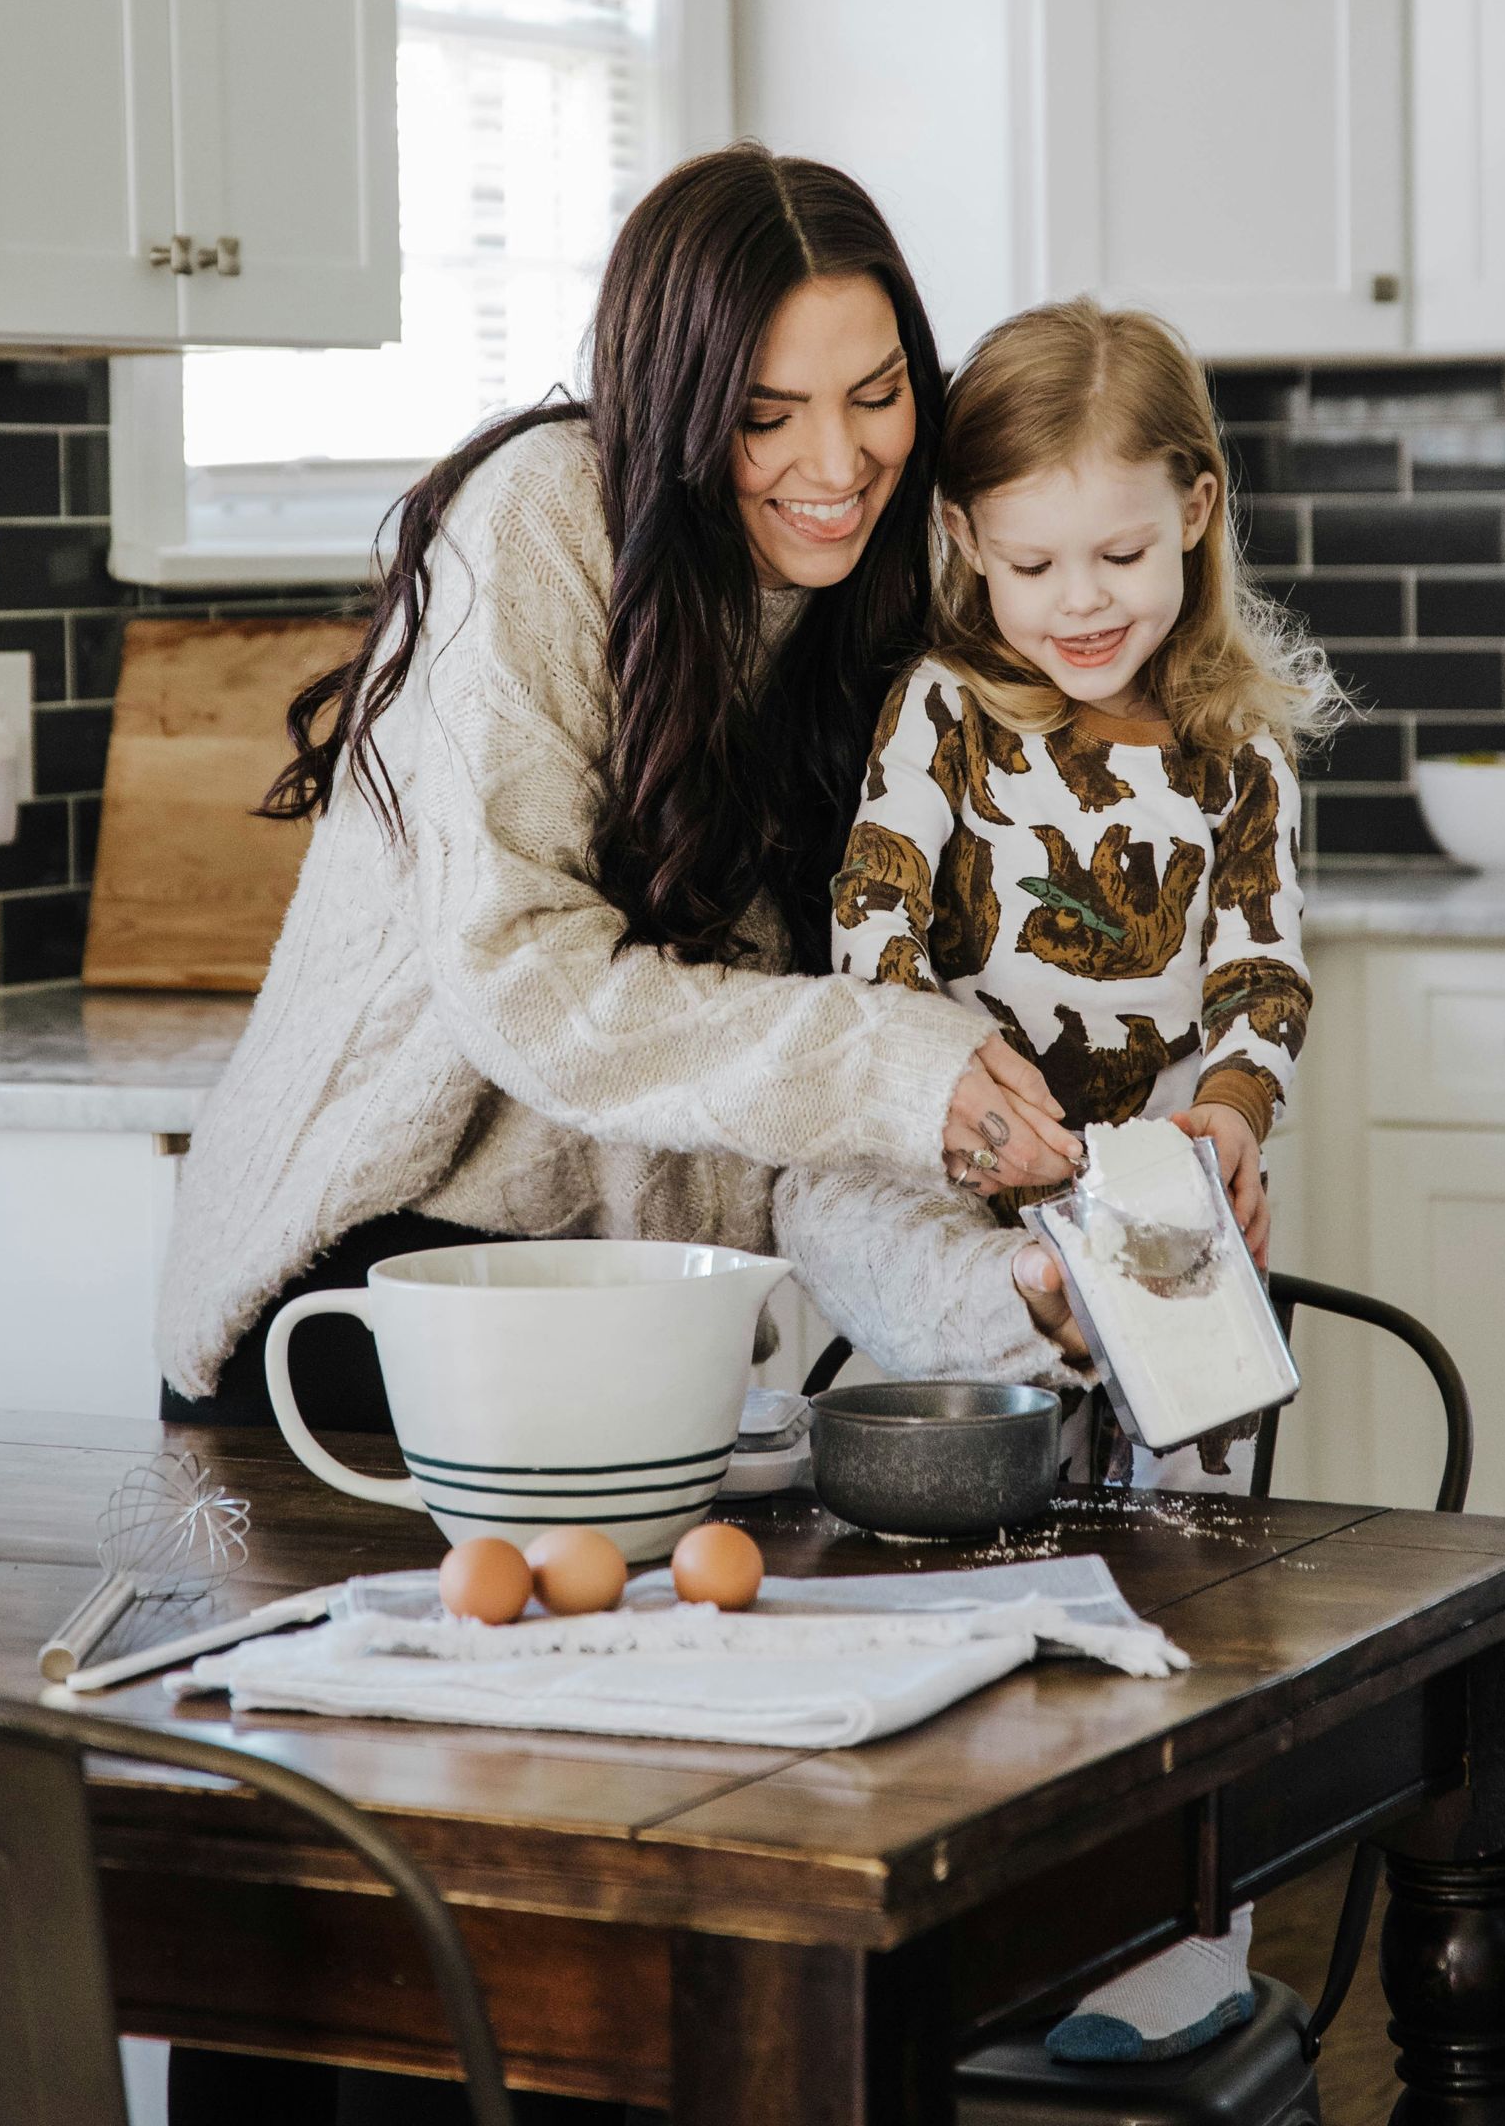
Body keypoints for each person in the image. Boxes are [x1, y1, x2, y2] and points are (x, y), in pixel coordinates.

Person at [156, 147, 1088, 2125]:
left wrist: (1052, 1233)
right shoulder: (542, 525)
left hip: (628, 1346)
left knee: (618, 1934)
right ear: (671, 398)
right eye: (766, 413)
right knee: (372, 1962)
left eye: (875, 392)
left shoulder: (879, 589)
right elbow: (533, 986)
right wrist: (888, 1067)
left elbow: (837, 1067)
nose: (833, 461)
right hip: (363, 1311)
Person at [831, 296, 1333, 2066]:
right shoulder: (945, 717)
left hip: (1159, 1218)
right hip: (970, 1221)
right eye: (1033, 560)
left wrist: (1234, 1121)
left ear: (1197, 509)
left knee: (1178, 1576)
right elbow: (876, 936)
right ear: (967, 544)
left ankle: (1175, 1948)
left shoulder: (1236, 753)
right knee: (986, 1572)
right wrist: (948, 1104)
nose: (1082, 599)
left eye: (1122, 549)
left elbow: (1262, 978)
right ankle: (983, 1939)